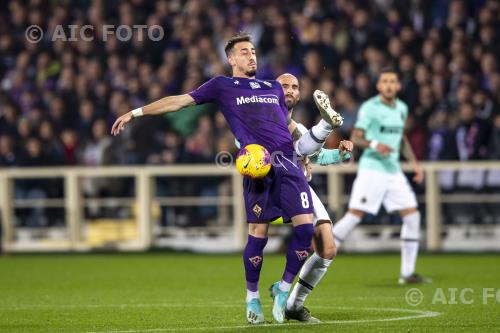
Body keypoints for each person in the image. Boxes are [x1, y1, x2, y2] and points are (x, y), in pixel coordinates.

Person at [111, 33, 343, 324]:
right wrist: (135, 113)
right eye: (244, 52)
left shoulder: (272, 88)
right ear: (231, 59)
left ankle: (283, 289)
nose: (251, 56)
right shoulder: (222, 85)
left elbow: (289, 128)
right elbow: (179, 102)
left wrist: (310, 154)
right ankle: (252, 298)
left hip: (289, 166)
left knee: (305, 230)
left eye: (254, 51)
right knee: (258, 235)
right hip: (258, 167)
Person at [332, 67, 428, 284]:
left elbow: (401, 138)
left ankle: (407, 273)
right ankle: (321, 254)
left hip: (393, 171)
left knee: (412, 216)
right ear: (379, 86)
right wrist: (376, 144)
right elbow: (356, 137)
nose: (388, 85)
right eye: (384, 81)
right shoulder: (370, 107)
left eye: (392, 81)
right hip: (372, 169)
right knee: (354, 216)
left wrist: (414, 164)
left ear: (398, 86)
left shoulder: (401, 108)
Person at [276, 73, 353, 322]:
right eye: (284, 86)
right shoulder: (259, 120)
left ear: (299, 95)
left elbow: (320, 158)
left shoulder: (297, 129)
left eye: (295, 87)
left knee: (328, 249)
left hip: (299, 185)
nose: (290, 90)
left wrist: (341, 154)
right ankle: (325, 126)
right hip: (271, 185)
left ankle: (293, 306)